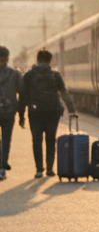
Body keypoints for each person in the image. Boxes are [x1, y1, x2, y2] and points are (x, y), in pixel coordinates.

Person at [18, 49, 77, 179]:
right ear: (50, 60)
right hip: (52, 112)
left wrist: (21, 116)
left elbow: (22, 96)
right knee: (50, 140)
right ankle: (50, 168)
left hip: (35, 113)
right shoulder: (55, 75)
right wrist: (72, 109)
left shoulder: (29, 75)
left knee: (37, 140)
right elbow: (64, 93)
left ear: (37, 60)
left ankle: (39, 169)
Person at [0, 46, 22, 181]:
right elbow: (22, 92)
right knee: (6, 140)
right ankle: (2, 168)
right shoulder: (15, 74)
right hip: (9, 112)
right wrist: (21, 112)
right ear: (8, 58)